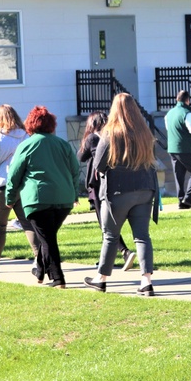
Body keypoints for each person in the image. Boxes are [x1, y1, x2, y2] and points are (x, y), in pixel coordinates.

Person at [83, 93, 160, 296]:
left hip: (117, 190)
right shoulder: (144, 131)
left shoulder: (111, 132)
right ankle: (146, 281)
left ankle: (101, 279)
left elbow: (99, 164)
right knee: (142, 236)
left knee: (110, 235)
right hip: (145, 188)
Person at [6, 106, 79, 288]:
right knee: (47, 237)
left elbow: (14, 175)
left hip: (38, 199)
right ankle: (39, 270)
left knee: (47, 239)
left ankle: (57, 278)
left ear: (30, 124)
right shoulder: (63, 144)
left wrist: (9, 198)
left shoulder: (26, 145)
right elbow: (75, 171)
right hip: (64, 199)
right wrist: (74, 193)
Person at [0, 104, 36, 273]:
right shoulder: (26, 135)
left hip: (0, 185)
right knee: (28, 224)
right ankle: (40, 259)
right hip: (21, 185)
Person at [77, 111, 135, 271]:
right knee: (110, 222)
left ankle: (125, 252)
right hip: (116, 183)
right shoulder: (114, 138)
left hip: (98, 186)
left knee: (105, 224)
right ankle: (105, 260)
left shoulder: (92, 138)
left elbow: (81, 156)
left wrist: (86, 140)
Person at [165, 90, 191, 209]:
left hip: (172, 148)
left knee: (179, 175)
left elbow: (167, 127)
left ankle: (181, 200)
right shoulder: (187, 113)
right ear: (187, 100)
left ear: (177, 99)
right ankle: (188, 197)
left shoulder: (169, 113)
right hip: (185, 148)